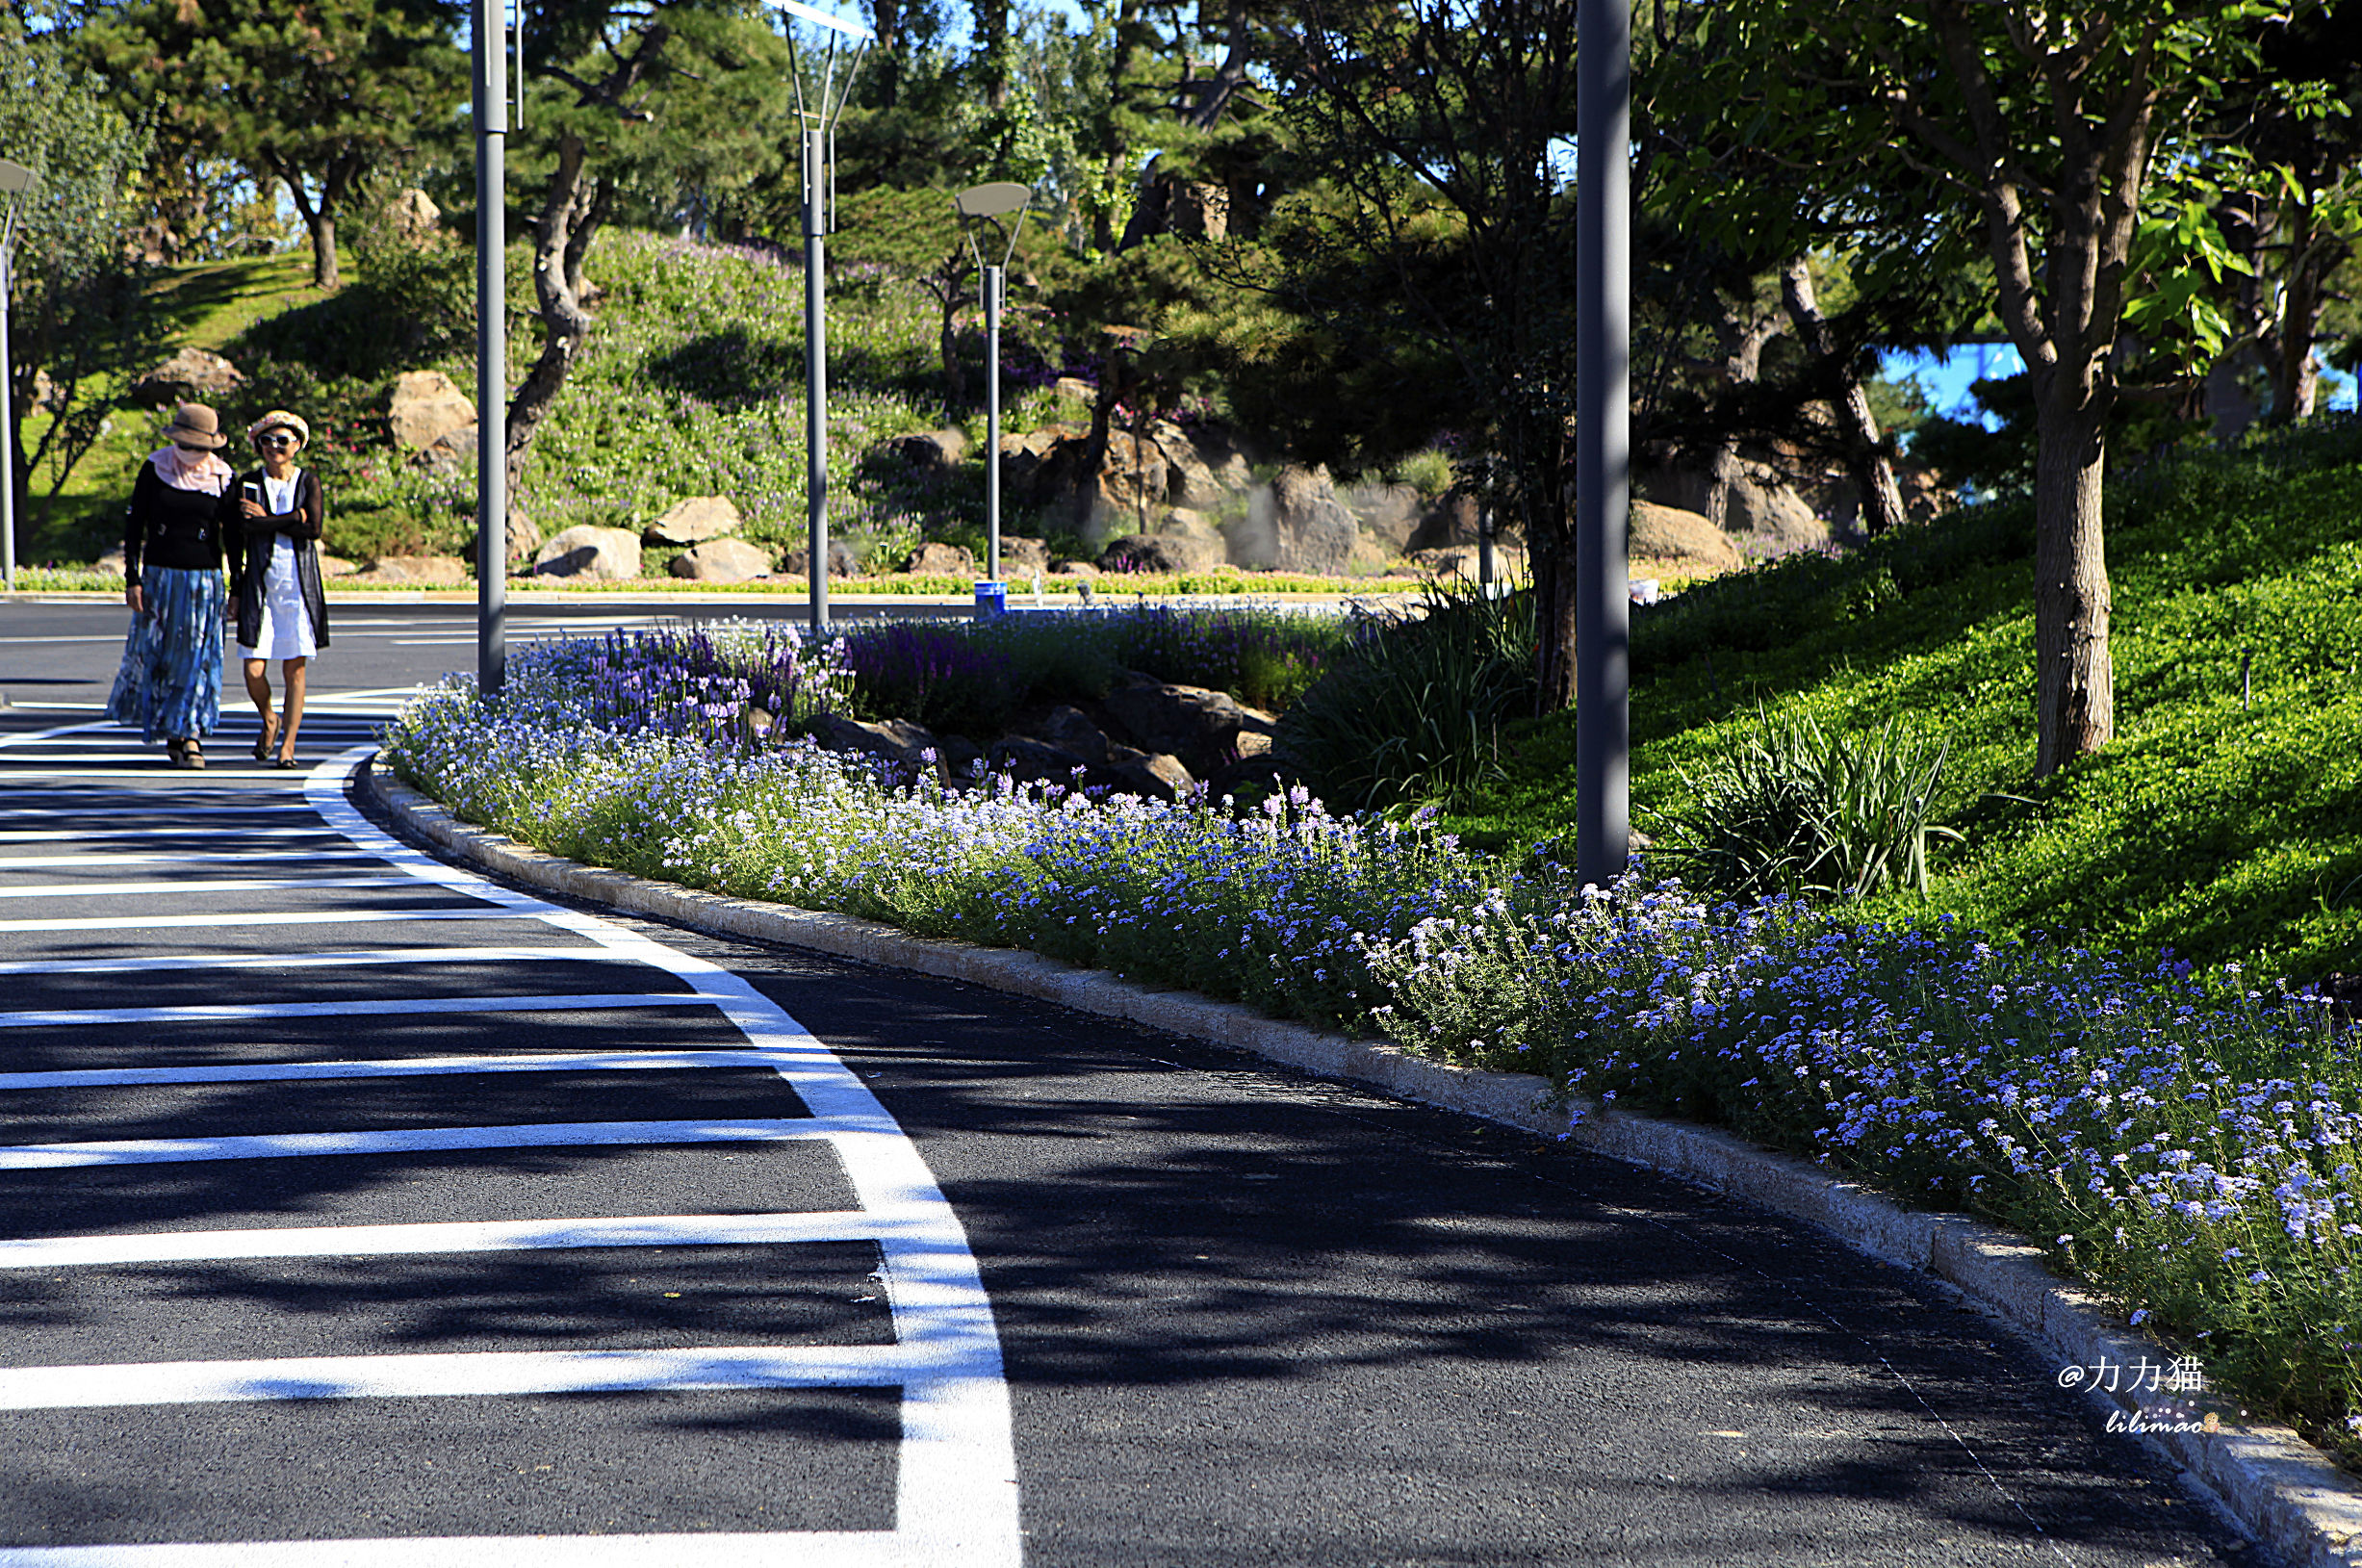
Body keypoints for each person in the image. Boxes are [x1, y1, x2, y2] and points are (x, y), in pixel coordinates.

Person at [107, 402, 233, 768]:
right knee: (161, 653)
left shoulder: (223, 477)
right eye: (188, 445)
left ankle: (189, 733)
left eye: (201, 447)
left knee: (197, 657)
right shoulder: (155, 468)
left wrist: (237, 585)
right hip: (161, 575)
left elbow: (233, 537)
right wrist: (133, 578)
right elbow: (135, 526)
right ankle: (166, 725)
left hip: (204, 580)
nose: (193, 454)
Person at [228, 410, 330, 768]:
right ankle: (268, 717)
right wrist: (235, 588)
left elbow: (313, 528)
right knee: (253, 668)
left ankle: (288, 745)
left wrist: (267, 521)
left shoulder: (308, 482)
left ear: (297, 445)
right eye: (267, 440)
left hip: (298, 584)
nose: (274, 447)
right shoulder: (248, 482)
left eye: (282, 441)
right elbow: (240, 532)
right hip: (259, 584)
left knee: (295, 669)